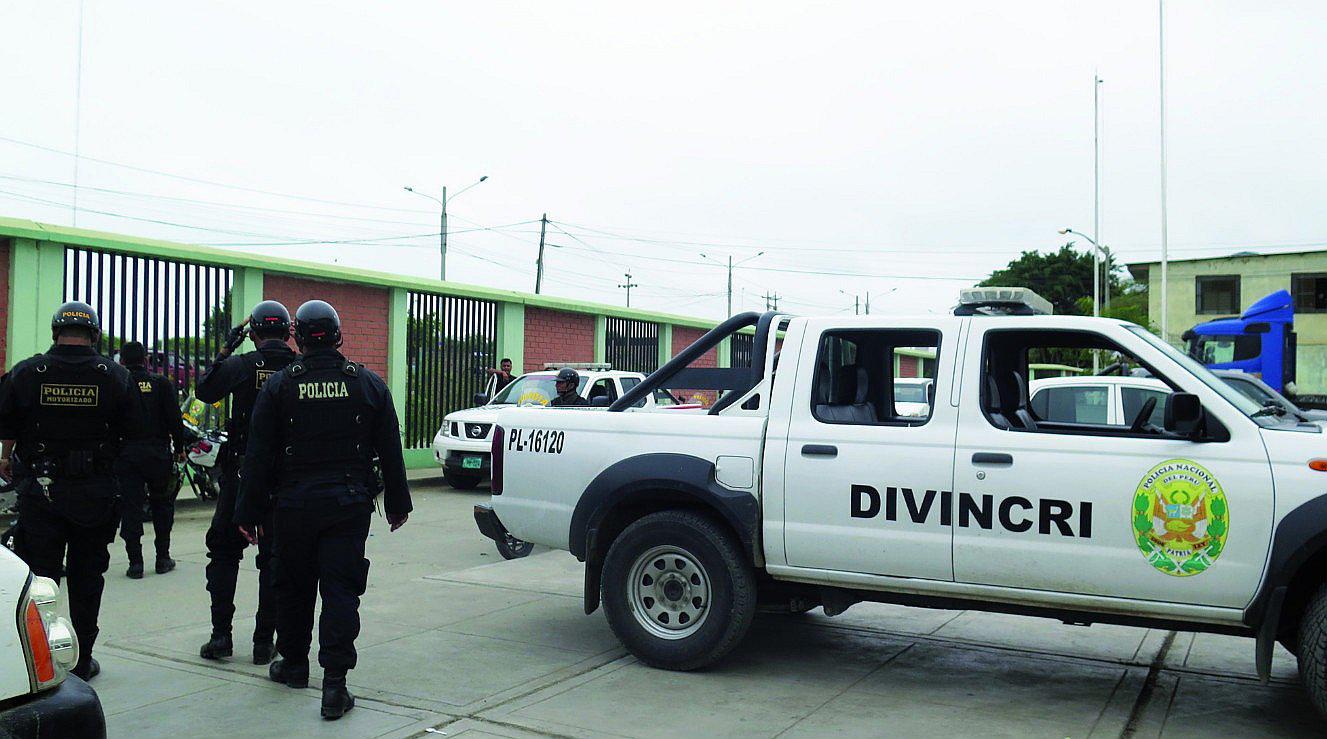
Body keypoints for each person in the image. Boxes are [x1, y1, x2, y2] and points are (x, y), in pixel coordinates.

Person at [234, 299, 411, 720]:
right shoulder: (368, 385)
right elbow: (390, 448)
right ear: (338, 336)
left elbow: (257, 456)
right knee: (340, 591)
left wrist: (247, 512)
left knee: (292, 587)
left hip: (292, 506)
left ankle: (294, 665)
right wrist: (398, 504)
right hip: (348, 507)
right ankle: (335, 686)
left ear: (297, 337)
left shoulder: (280, 385)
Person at [0, 301, 138, 680]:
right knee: (87, 576)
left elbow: (6, 425)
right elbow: (133, 433)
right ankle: (82, 658)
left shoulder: (27, 372)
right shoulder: (115, 376)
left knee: (41, 580)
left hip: (43, 493)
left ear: (54, 332)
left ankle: (42, 659)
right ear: (94, 334)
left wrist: (7, 457)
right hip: (95, 492)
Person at [195, 300, 296, 665]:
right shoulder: (299, 369)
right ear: (288, 333)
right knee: (274, 559)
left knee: (223, 552)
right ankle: (263, 641)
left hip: (240, 475)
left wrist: (227, 346)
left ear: (252, 333)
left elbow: (205, 390)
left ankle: (221, 635)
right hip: (284, 479)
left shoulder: (242, 364)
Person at [115, 341, 186, 579]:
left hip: (127, 454)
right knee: (162, 505)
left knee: (131, 507)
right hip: (158, 452)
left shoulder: (119, 384)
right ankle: (162, 558)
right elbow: (175, 419)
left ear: (122, 361)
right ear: (145, 359)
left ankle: (135, 563)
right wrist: (180, 447)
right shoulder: (161, 383)